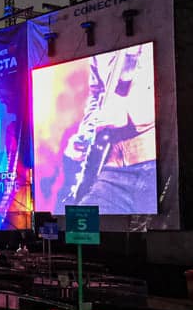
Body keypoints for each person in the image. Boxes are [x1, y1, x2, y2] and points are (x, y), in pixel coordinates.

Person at [61, 43, 156, 211]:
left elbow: (171, 94)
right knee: (81, 219)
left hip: (153, 164)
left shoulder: (153, 43)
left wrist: (126, 111)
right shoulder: (98, 52)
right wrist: (85, 134)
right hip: (111, 168)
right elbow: (97, 95)